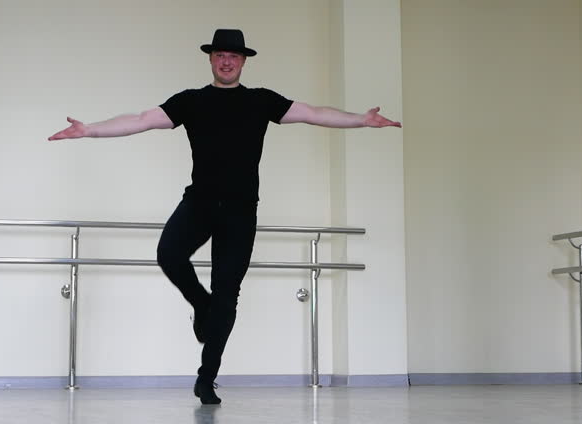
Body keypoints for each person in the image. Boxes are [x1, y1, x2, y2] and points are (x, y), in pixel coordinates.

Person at [48, 29, 401, 405]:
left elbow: (314, 113)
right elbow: (140, 119)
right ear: (211, 60)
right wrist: (90, 130)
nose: (227, 61)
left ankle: (207, 378)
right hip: (199, 201)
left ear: (243, 61)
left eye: (233, 56)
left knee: (227, 295)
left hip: (240, 210)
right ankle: (201, 305)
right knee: (169, 254)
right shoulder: (192, 101)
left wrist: (360, 120)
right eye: (220, 55)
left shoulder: (262, 101)